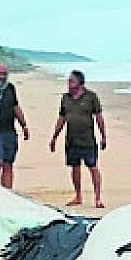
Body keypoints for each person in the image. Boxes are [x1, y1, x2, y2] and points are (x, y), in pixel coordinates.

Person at [49, 70, 107, 207]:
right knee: (75, 168)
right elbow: (62, 118)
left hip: (87, 140)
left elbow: (99, 117)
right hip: (71, 140)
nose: (69, 83)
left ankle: (98, 198)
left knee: (93, 168)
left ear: (80, 83)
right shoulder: (65, 98)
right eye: (69, 81)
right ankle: (78, 196)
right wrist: (54, 137)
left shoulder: (91, 97)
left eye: (72, 81)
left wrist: (103, 136)